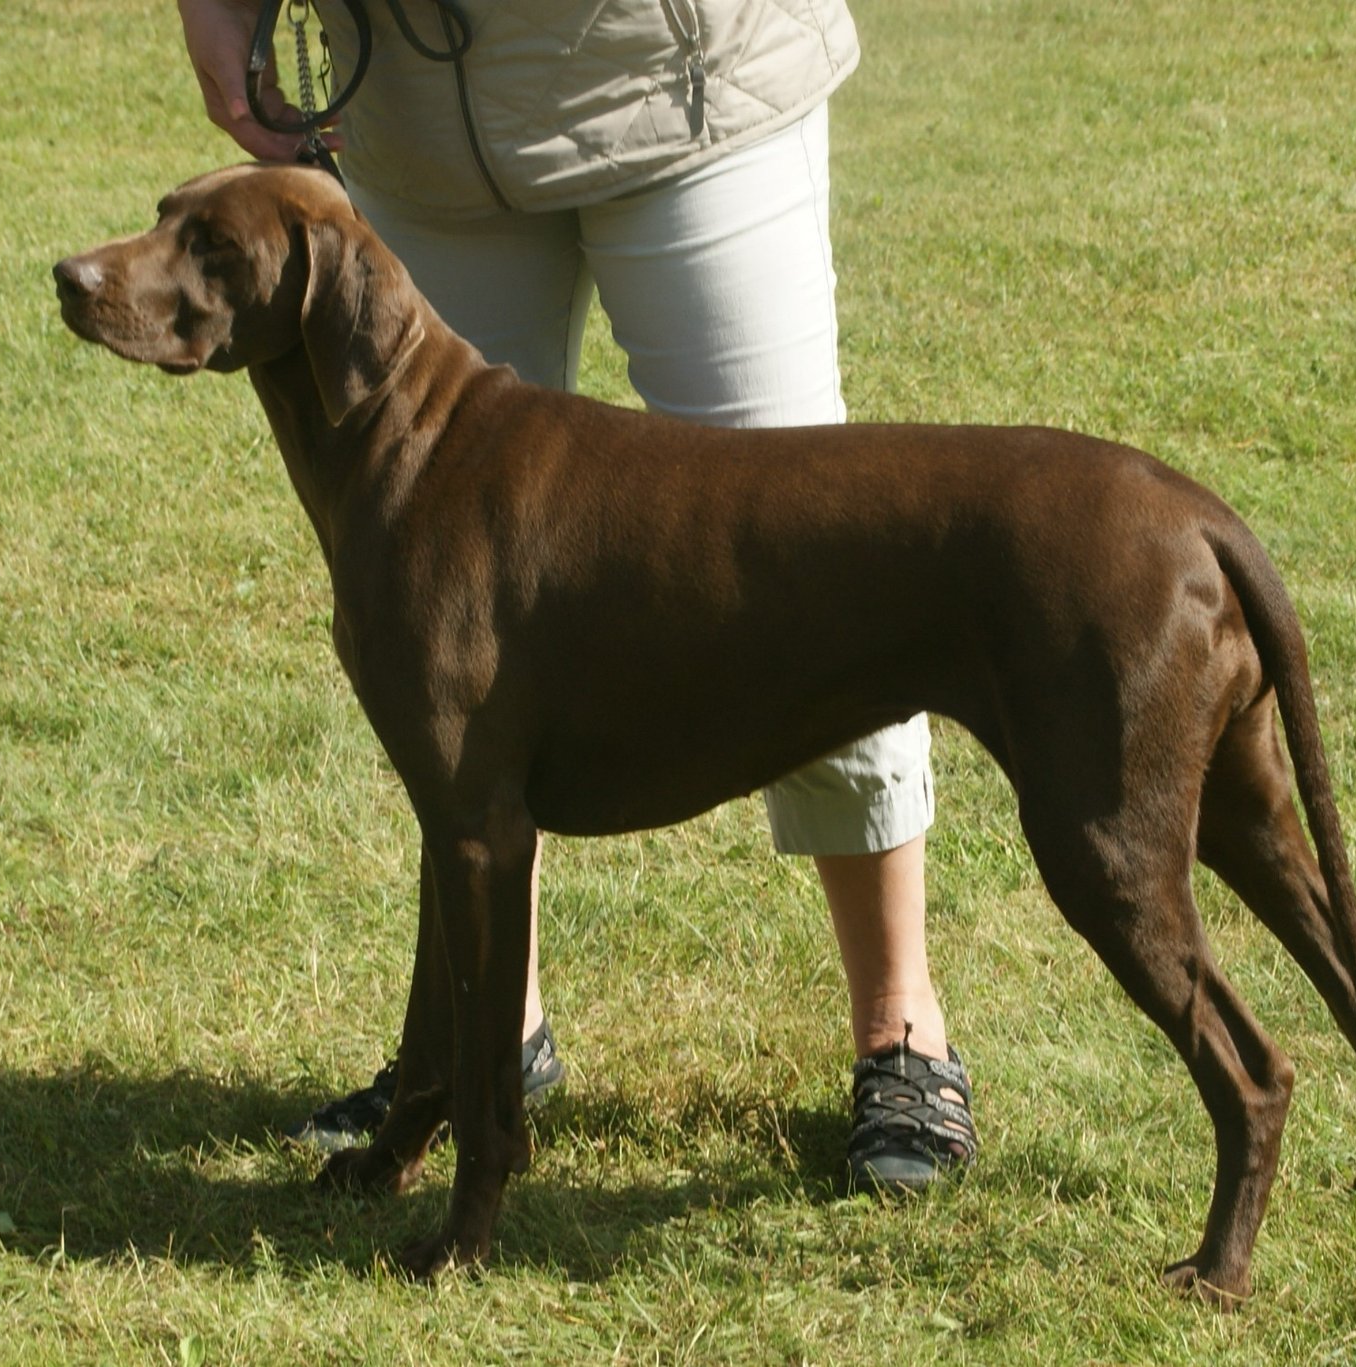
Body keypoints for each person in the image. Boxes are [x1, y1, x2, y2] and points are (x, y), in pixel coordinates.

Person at [177, 0, 978, 1190]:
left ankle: (898, 1026)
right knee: (452, 619)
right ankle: (483, 1043)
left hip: (677, 77)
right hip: (423, 118)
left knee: (808, 567)